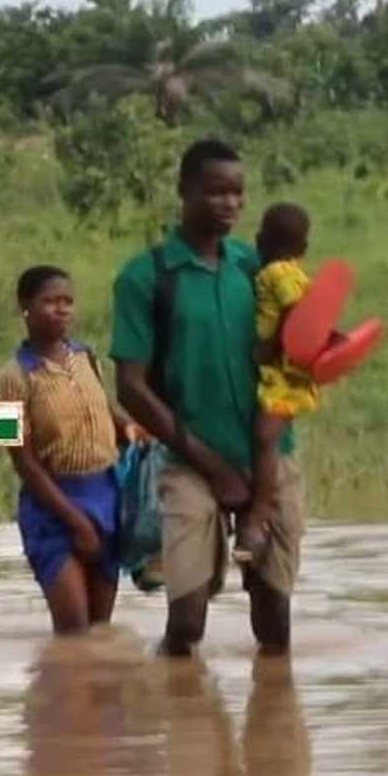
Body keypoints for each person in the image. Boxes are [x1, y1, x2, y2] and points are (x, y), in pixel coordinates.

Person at [110, 139, 304, 656]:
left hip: (270, 452)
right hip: (189, 457)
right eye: (216, 192)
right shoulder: (148, 275)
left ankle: (269, 729)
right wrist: (209, 463)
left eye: (238, 194)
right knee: (189, 618)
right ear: (184, 191)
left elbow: (295, 335)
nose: (230, 205)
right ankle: (172, 701)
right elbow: (131, 385)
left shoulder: (255, 266)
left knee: (275, 620)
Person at [0, 265, 144, 634]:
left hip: (106, 495)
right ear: (25, 307)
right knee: (74, 630)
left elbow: (104, 407)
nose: (61, 310)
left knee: (99, 631)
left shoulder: (84, 356)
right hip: (53, 506)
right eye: (49, 302)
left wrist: (132, 428)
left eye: (67, 302)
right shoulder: (11, 379)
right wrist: (75, 521)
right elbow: (25, 463)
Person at [237, 203, 319, 564]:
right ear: (304, 248)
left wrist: (270, 346)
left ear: (261, 240)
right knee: (267, 438)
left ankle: (258, 515)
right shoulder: (298, 271)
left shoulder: (277, 273)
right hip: (287, 374)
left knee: (265, 440)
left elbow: (296, 310)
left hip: (281, 377)